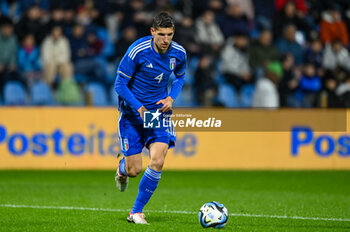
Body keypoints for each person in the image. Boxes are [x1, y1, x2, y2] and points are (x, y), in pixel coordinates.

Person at [114, 12, 186, 224]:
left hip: (157, 114)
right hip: (133, 114)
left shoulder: (179, 53)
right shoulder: (138, 50)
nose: (166, 40)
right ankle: (122, 168)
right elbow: (119, 85)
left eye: (170, 35)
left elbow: (181, 76)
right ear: (152, 31)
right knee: (134, 170)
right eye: (162, 34)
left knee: (158, 160)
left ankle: (135, 212)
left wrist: (171, 98)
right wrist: (139, 108)